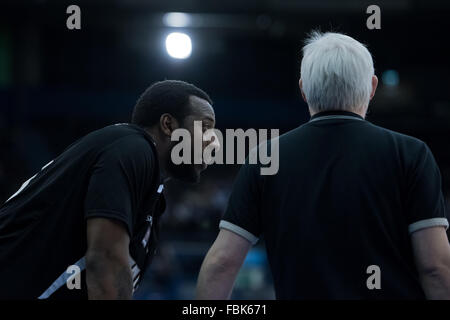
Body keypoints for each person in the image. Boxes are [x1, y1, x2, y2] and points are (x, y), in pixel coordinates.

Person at [196, 31, 450, 300]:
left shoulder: (266, 157)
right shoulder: (410, 154)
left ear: (303, 89)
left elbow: (221, 263)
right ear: (373, 87)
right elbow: (435, 267)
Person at [0, 80, 218, 299]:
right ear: (168, 125)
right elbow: (105, 260)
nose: (214, 142)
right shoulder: (132, 148)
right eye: (205, 127)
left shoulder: (153, 198)